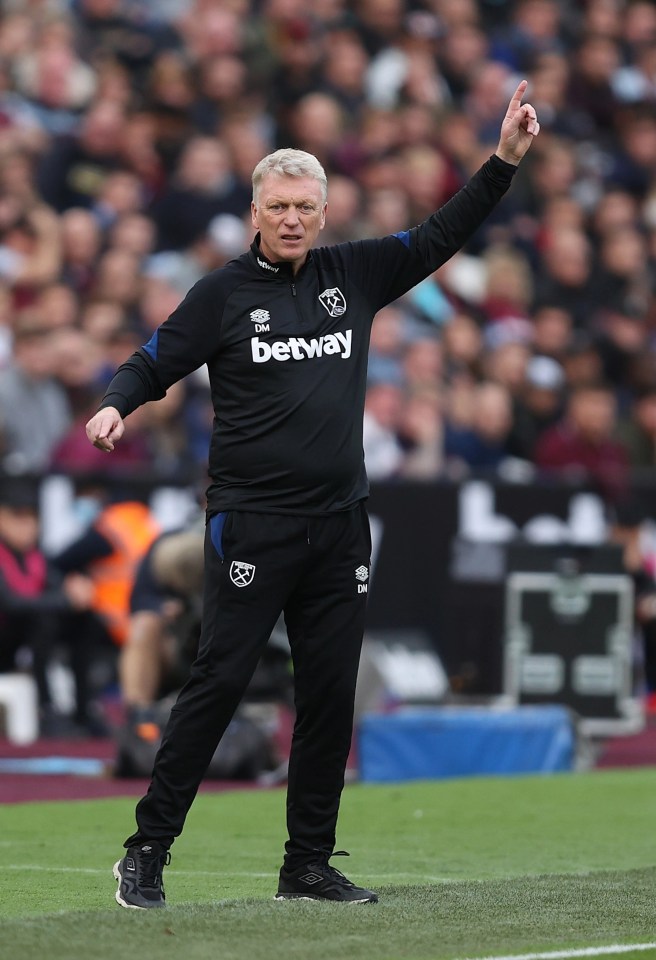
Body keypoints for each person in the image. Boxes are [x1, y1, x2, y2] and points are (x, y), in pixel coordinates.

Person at [86, 80, 539, 909]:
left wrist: (503, 162)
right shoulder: (222, 294)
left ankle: (307, 865)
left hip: (339, 527)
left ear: (323, 213)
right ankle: (146, 851)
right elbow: (153, 359)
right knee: (217, 686)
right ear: (255, 213)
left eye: (305, 205)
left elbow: (442, 234)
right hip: (253, 527)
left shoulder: (354, 275)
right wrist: (117, 403)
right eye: (278, 205)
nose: (292, 219)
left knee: (329, 695)